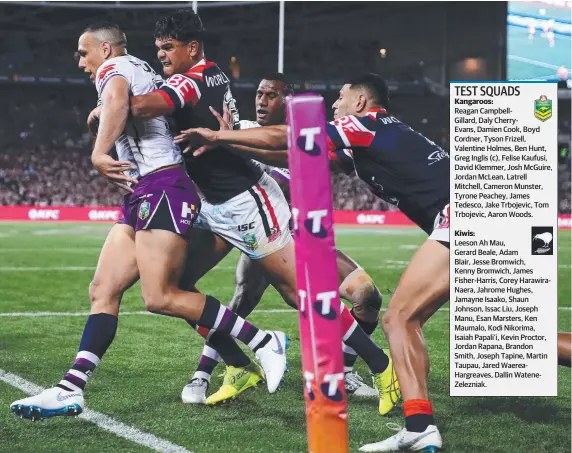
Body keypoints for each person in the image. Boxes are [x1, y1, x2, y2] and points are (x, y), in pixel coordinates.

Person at [10, 22, 288, 421]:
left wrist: (98, 150)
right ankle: (71, 388)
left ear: (105, 49)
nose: (80, 61)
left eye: (84, 52)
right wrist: (102, 114)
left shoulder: (113, 69)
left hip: (163, 188)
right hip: (145, 191)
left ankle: (264, 341)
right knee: (103, 287)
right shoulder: (136, 67)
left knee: (161, 296)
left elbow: (121, 100)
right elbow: (125, 106)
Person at [129, 9, 399, 413]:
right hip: (211, 202)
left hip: (246, 202)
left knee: (302, 294)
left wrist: (111, 91)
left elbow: (148, 105)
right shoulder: (213, 73)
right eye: (158, 49)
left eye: (168, 48)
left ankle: (382, 368)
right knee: (174, 290)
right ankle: (238, 364)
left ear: (192, 47)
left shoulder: (192, 80)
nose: (161, 55)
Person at [175, 73, 450, 452]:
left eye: (340, 97)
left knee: (394, 315)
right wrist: (234, 145)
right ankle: (408, 412)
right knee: (416, 320)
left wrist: (218, 137)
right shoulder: (375, 133)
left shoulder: (362, 124)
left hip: (457, 216)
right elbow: (297, 153)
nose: (334, 104)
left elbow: (291, 141)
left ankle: (414, 420)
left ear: (359, 102)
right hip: (273, 230)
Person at [184, 74, 384, 404]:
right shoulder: (236, 127)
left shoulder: (309, 137)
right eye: (259, 94)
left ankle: (342, 370)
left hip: (304, 240)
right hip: (260, 241)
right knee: (239, 305)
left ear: (289, 101)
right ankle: (203, 373)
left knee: (368, 297)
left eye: (271, 96)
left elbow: (335, 160)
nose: (261, 101)